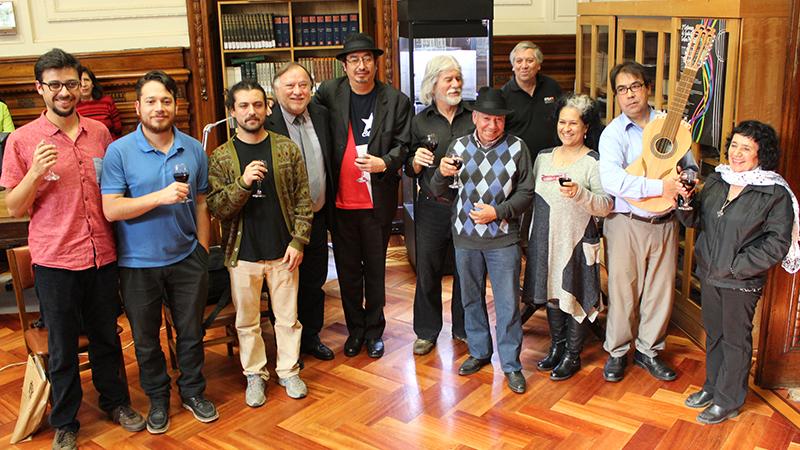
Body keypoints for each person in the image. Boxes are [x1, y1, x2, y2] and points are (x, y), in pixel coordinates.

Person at [0, 48, 144, 450]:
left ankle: (115, 402)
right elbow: (15, 206)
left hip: (102, 253)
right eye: (55, 85)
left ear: (81, 85)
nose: (64, 92)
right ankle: (65, 420)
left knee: (106, 337)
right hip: (55, 260)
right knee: (62, 346)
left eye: (71, 84)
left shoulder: (100, 134)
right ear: (39, 89)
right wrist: (33, 173)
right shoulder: (22, 140)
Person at [101, 70, 217, 434]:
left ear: (176, 105)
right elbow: (112, 209)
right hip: (137, 264)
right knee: (147, 341)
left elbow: (201, 202)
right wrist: (160, 197)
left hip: (186, 259)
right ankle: (157, 400)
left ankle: (193, 391)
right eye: (150, 101)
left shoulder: (193, 148)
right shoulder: (118, 151)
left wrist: (201, 249)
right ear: (137, 107)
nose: (159, 107)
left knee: (191, 333)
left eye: (165, 100)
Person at [677, 121, 796, 424]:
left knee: (735, 340)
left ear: (761, 154)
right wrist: (687, 202)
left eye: (746, 148)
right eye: (734, 145)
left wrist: (736, 267)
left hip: (740, 281)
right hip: (709, 273)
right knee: (715, 335)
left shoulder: (774, 192)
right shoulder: (719, 179)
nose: (737, 153)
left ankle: (728, 401)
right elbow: (694, 222)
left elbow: (777, 243)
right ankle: (713, 387)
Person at [208, 79, 313, 406]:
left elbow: (303, 200)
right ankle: (255, 374)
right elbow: (218, 208)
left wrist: (298, 240)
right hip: (243, 255)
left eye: (257, 105)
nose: (251, 112)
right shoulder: (222, 156)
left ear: (267, 107)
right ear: (232, 112)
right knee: (247, 322)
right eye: (243, 106)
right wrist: (242, 183)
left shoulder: (286, 148)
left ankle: (288, 370)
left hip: (284, 253)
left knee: (287, 318)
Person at [312, 32, 412, 358]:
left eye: (367, 59)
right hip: (340, 202)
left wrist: (385, 162)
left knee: (375, 270)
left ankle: (374, 330)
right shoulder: (329, 93)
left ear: (375, 63)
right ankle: (354, 330)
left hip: (376, 202)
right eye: (353, 60)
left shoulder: (395, 100)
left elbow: (405, 143)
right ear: (344, 65)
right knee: (348, 272)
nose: (361, 66)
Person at [598, 61, 697, 383]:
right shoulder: (613, 134)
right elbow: (612, 181)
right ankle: (616, 352)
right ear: (616, 96)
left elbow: (690, 165)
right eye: (622, 90)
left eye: (635, 86)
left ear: (648, 88)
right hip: (626, 221)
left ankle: (648, 351)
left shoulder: (671, 124)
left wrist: (687, 181)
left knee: (660, 292)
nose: (629, 95)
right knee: (623, 292)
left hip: (666, 222)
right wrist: (659, 187)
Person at [431, 87, 534, 394]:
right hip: (465, 237)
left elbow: (526, 193)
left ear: (505, 121)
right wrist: (439, 172)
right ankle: (479, 352)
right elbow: (441, 191)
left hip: (503, 239)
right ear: (475, 117)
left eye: (499, 120)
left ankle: (512, 364)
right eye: (486, 118)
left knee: (507, 305)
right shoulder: (458, 146)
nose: (492, 125)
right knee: (470, 299)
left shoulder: (518, 148)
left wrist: (497, 212)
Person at [522, 93, 612, 381]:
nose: (567, 129)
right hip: (545, 239)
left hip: (576, 241)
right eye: (562, 122)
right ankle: (557, 347)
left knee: (574, 294)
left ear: (586, 127)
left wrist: (581, 194)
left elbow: (606, 206)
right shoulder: (543, 158)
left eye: (574, 123)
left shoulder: (593, 161)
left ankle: (573, 355)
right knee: (551, 295)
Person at [265, 62, 335, 361]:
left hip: (317, 216)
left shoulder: (321, 116)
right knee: (282, 285)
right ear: (276, 89)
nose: (297, 91)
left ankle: (311, 337)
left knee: (313, 281)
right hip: (282, 223)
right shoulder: (267, 122)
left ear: (312, 88)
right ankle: (286, 346)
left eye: (303, 85)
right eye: (290, 86)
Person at [405, 55, 473, 355]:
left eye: (458, 78)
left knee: (466, 269)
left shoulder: (474, 116)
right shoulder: (419, 121)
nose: (456, 84)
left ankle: (463, 328)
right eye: (449, 79)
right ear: (434, 84)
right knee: (428, 270)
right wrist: (415, 163)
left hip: (468, 206)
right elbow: (407, 167)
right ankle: (427, 332)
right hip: (432, 206)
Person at [76, 65, 123, 139]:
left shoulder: (107, 101)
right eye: (79, 81)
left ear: (92, 84)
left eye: (86, 80)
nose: (84, 84)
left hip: (109, 144)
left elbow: (118, 129)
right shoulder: (73, 107)